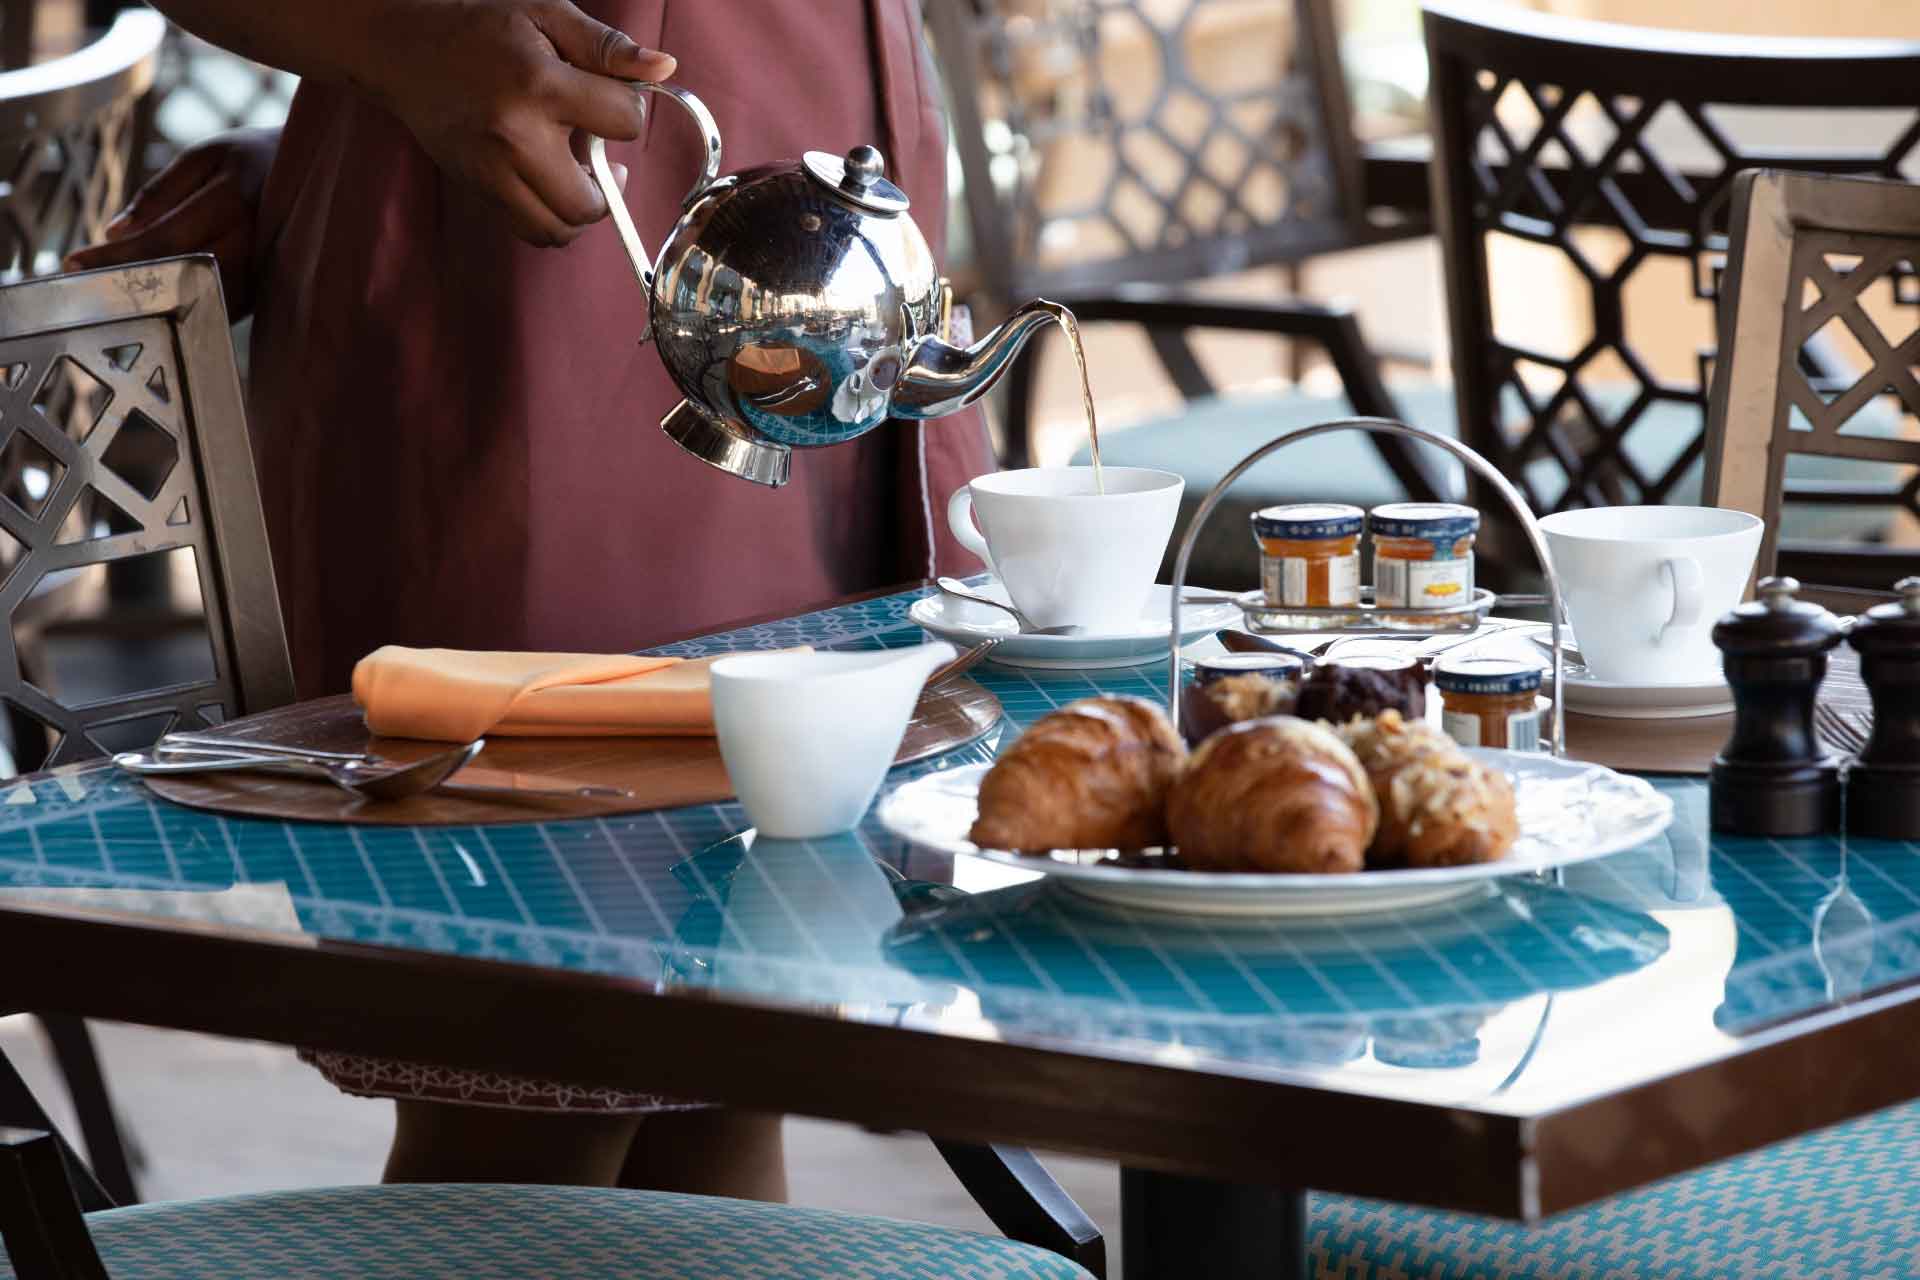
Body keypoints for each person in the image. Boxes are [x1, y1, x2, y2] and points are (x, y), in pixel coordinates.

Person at [71, 0, 991, 1196]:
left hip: (824, 219)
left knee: (730, 1066)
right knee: (532, 1074)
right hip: (516, 255)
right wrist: (384, 49)